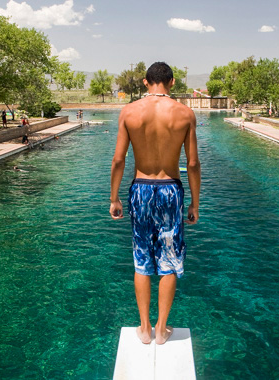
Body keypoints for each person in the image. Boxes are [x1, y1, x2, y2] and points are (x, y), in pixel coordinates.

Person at [110, 62, 200, 345]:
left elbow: (119, 160)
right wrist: (195, 203)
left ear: (146, 83)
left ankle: (145, 329)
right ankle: (162, 329)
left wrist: (114, 198)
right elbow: (194, 163)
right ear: (172, 83)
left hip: (140, 189)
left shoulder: (130, 112)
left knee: (141, 258)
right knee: (169, 261)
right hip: (171, 191)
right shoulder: (185, 114)